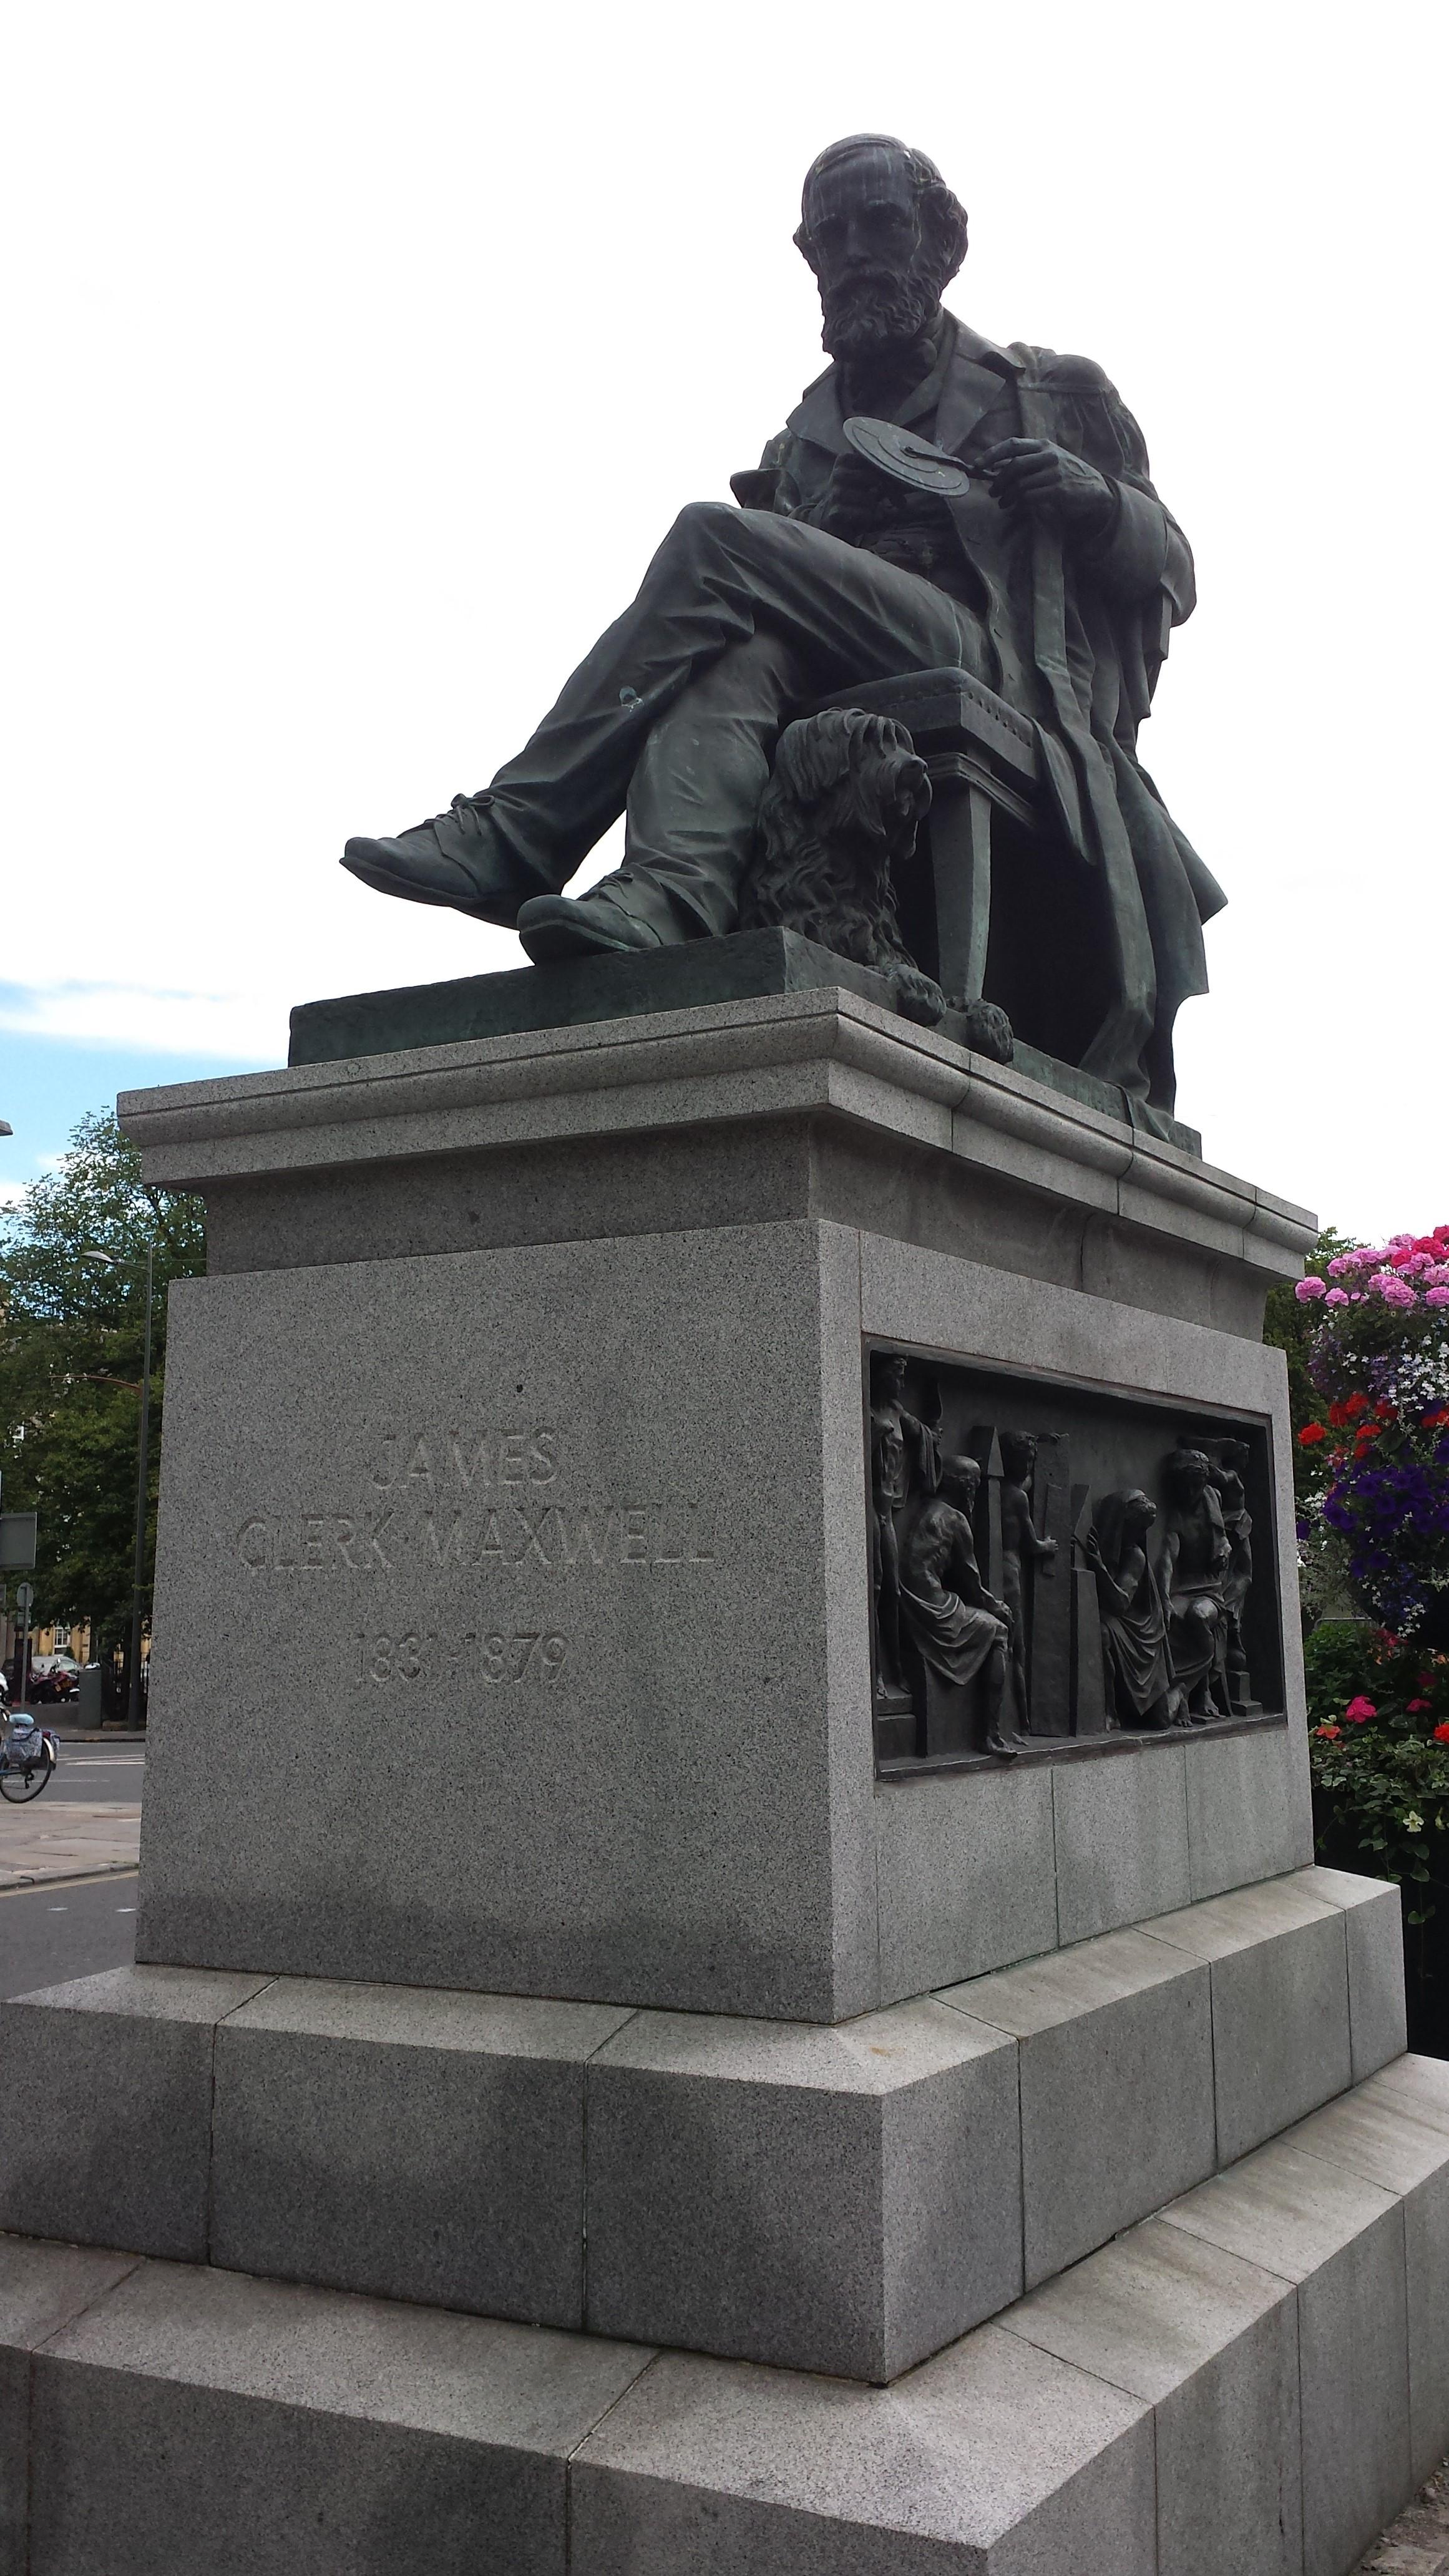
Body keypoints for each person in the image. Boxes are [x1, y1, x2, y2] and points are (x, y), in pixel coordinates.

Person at [341, 134, 1222, 1126]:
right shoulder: (803, 433)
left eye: (878, 224)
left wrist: (1094, 500)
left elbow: (1174, 568)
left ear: (942, 240)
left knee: (714, 541)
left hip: (998, 663)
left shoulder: (1050, 390)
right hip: (829, 666)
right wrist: (830, 519)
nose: (851, 253)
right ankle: (666, 896)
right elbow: (778, 582)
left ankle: (518, 829)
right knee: (731, 655)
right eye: (827, 236)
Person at [899, 1454, 1015, 1758]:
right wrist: (997, 1606)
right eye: (974, 1487)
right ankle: (990, 1735)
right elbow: (972, 1583)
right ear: (966, 1488)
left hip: (910, 1598)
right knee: (999, 1631)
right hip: (931, 1608)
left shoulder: (927, 1509)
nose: (975, 1494)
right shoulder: (955, 1519)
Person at [1085, 1490, 1181, 1730]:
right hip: (1117, 1626)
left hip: (1142, 1636)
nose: (1138, 1535)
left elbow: (1120, 1603)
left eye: (1143, 1530)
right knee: (1103, 1631)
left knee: (1159, 1721)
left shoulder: (1135, 1556)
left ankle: (1180, 1693)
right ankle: (1110, 1711)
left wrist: (1099, 1568)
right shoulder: (1100, 1544)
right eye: (1135, 1528)